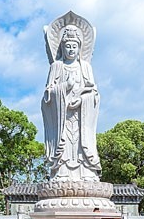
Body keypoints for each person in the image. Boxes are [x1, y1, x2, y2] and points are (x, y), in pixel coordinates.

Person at [41, 23, 101, 181]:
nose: (71, 49)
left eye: (74, 46)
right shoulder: (57, 66)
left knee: (82, 143)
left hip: (81, 114)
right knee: (65, 144)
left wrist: (82, 100)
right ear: (62, 47)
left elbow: (94, 94)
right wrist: (65, 87)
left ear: (80, 47)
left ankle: (86, 172)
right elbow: (48, 95)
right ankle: (62, 172)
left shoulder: (85, 67)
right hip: (63, 117)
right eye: (67, 46)